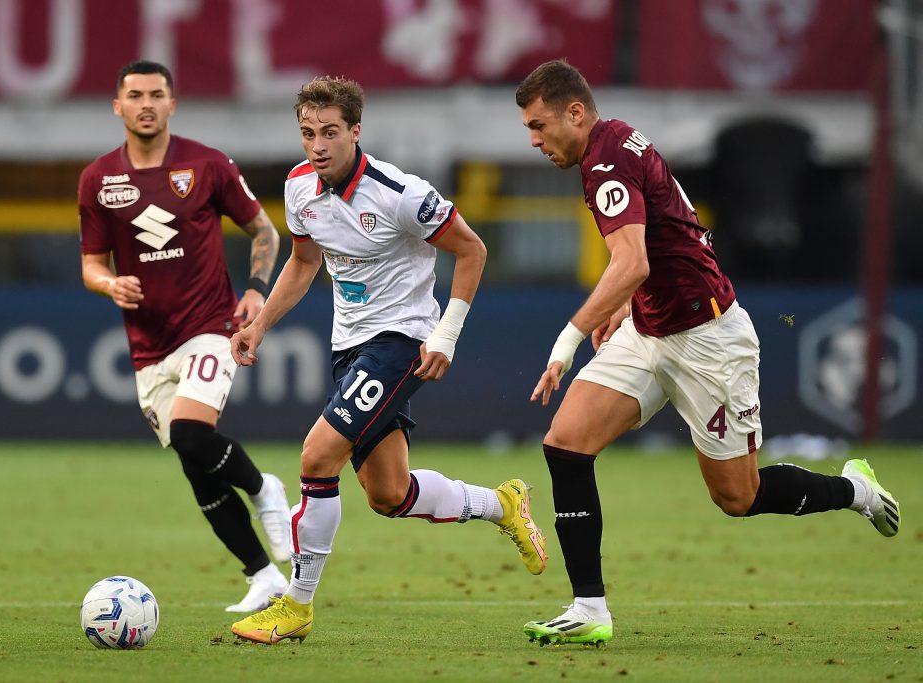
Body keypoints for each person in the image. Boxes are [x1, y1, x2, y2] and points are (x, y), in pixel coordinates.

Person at [513, 59, 900, 647]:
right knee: (566, 445)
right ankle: (590, 608)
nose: (535, 140)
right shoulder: (615, 138)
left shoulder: (607, 158)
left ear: (575, 111)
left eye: (540, 126)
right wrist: (627, 304)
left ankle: (856, 490)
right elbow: (677, 229)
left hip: (710, 341)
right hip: (650, 330)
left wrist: (568, 340)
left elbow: (634, 261)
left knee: (736, 498)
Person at [228, 76, 547, 645]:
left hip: (402, 341)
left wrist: (446, 333)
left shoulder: (400, 193)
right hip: (348, 347)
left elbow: (471, 250)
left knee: (317, 455)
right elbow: (302, 264)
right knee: (389, 494)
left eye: (330, 132)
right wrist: (260, 325)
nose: (318, 145)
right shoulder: (300, 188)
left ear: (355, 131)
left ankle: (295, 606)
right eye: (307, 133)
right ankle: (502, 503)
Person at [78, 60, 292, 614]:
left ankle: (265, 487)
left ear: (173, 105)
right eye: (134, 95)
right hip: (148, 347)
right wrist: (109, 284)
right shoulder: (99, 179)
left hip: (209, 326)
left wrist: (256, 289)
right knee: (193, 462)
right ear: (117, 106)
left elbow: (263, 228)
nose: (145, 103)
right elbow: (90, 265)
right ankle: (263, 575)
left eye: (156, 94)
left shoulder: (207, 164)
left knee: (194, 435)